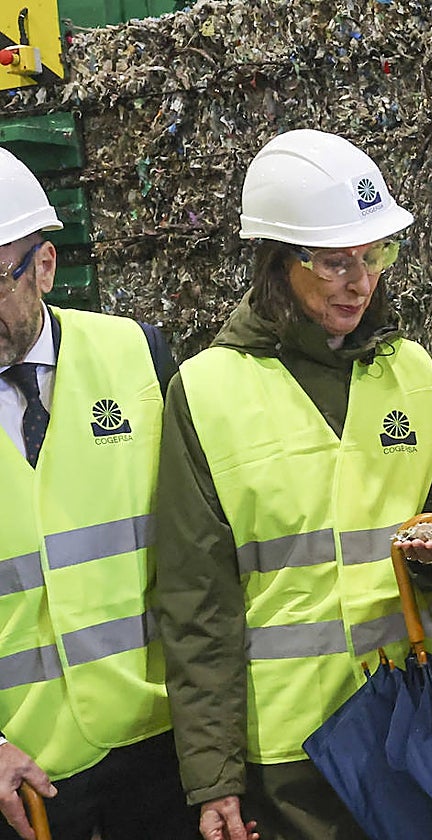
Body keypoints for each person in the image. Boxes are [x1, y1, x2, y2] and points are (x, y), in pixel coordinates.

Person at [154, 129, 432, 840]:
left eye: (374, 255)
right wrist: (215, 777)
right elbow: (196, 601)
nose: (361, 282)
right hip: (294, 756)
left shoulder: (412, 372)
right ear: (277, 262)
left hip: (417, 715)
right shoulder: (206, 393)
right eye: (335, 262)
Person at [0, 147, 192, 839]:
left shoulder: (138, 356)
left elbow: (201, 547)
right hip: (24, 770)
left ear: (45, 266)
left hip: (160, 738)